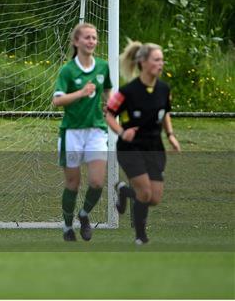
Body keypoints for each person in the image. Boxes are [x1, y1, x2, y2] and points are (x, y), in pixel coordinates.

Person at [105, 41, 181, 245]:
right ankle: (140, 236)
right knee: (145, 192)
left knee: (154, 198)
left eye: (162, 60)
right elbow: (109, 114)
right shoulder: (127, 92)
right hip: (130, 148)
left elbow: (165, 113)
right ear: (143, 62)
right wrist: (122, 131)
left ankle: (123, 190)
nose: (161, 63)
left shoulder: (164, 89)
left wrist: (171, 134)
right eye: (156, 59)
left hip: (154, 148)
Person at [52, 23, 112, 241]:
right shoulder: (68, 70)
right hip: (72, 133)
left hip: (96, 131)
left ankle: (84, 214)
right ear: (76, 42)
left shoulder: (103, 66)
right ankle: (68, 227)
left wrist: (108, 105)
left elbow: (107, 90)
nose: (91, 41)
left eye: (94, 38)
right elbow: (57, 100)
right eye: (87, 38)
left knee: (97, 182)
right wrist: (81, 92)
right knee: (73, 184)